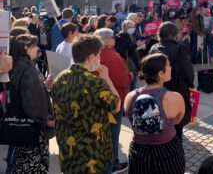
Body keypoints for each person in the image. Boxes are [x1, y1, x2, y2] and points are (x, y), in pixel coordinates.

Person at [51, 35, 120, 174]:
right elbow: (116, 107)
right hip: (93, 154)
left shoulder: (59, 78)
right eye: (99, 55)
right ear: (91, 57)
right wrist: (106, 78)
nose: (99, 58)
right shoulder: (95, 82)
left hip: (68, 154)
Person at [124, 53, 186, 174]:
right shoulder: (175, 98)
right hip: (168, 150)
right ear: (161, 74)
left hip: (139, 151)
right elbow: (178, 120)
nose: (171, 68)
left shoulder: (130, 97)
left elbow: (130, 118)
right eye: (168, 66)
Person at [9, 34, 55, 173]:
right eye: (34, 46)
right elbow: (32, 102)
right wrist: (46, 119)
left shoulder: (17, 64)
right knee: (33, 165)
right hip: (32, 128)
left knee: (23, 163)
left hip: (21, 126)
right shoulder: (28, 69)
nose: (38, 49)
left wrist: (45, 86)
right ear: (26, 48)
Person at [93, 28, 132, 173]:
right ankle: (112, 164)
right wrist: (130, 77)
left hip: (98, 98)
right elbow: (121, 80)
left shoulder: (95, 53)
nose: (114, 39)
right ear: (107, 40)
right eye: (113, 37)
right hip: (112, 99)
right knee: (113, 135)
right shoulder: (109, 55)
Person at [149, 21, 194, 140]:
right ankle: (175, 147)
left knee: (160, 118)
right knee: (177, 122)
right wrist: (191, 82)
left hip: (158, 88)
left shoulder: (154, 48)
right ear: (174, 34)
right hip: (177, 88)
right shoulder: (179, 49)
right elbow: (188, 71)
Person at [115, 20, 143, 91]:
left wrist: (141, 46)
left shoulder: (134, 35)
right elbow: (122, 50)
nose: (132, 28)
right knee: (129, 84)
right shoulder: (120, 36)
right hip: (127, 63)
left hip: (135, 62)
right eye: (129, 27)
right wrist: (135, 45)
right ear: (124, 28)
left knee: (134, 84)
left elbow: (134, 49)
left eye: (133, 27)